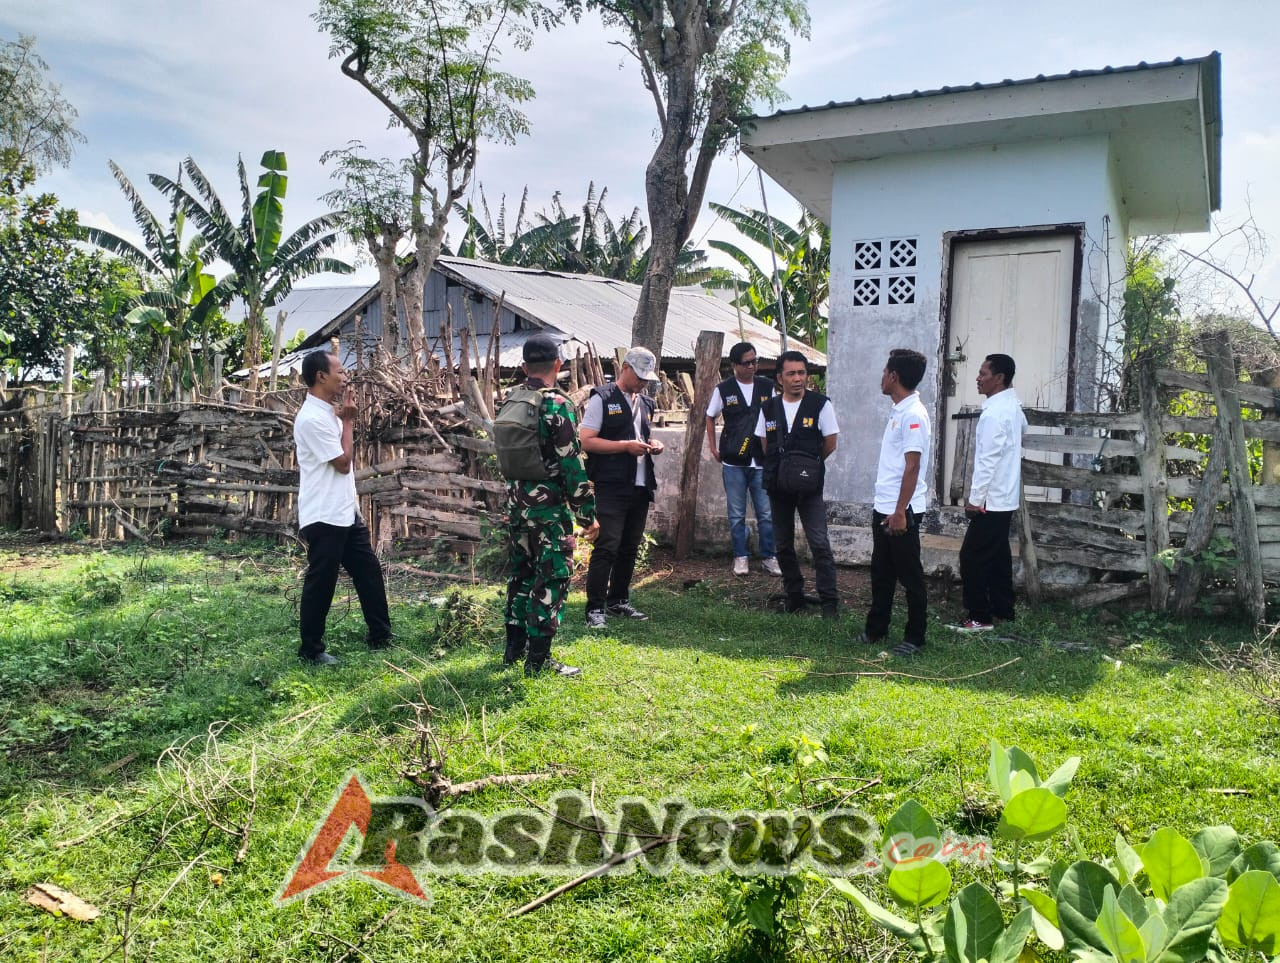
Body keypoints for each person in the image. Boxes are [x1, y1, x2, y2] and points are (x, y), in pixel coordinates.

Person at [499, 335, 599, 676]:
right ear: (559, 364)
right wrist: (587, 516)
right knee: (553, 577)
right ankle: (538, 662)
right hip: (549, 510)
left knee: (522, 573)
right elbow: (571, 464)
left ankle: (513, 649)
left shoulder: (512, 399)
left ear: (524, 366)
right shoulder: (556, 403)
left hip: (516, 505)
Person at [293, 350, 392, 666]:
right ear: (321, 375)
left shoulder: (326, 414)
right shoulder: (311, 418)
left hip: (344, 512)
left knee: (368, 571)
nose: (345, 376)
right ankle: (311, 650)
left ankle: (380, 635)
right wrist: (349, 421)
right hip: (323, 514)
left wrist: (343, 419)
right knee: (322, 581)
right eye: (339, 370)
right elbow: (343, 463)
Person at [580, 346, 666, 628]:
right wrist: (624, 447)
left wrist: (653, 445)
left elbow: (642, 435)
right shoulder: (602, 398)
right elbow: (587, 440)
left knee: (629, 546)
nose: (643, 382)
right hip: (612, 485)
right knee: (607, 546)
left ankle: (618, 600)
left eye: (647, 378)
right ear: (625, 367)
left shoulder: (646, 403)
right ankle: (595, 608)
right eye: (639, 376)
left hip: (640, 485)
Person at [755, 350, 840, 617]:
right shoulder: (768, 407)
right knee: (782, 544)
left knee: (819, 544)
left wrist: (807, 467)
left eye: (801, 373)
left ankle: (829, 603)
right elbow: (765, 443)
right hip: (777, 487)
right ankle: (794, 597)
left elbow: (830, 443)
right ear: (779, 378)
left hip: (809, 488)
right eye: (791, 373)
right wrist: (785, 469)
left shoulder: (820, 404)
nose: (797, 378)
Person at [949, 353, 1027, 633]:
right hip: (1004, 496)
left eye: (983, 374)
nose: (978, 379)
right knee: (998, 555)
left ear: (999, 378)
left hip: (990, 499)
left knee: (972, 556)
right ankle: (1003, 608)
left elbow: (987, 460)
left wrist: (975, 498)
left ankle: (979, 617)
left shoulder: (995, 412)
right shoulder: (1012, 406)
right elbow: (1023, 429)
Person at [863, 348, 932, 656]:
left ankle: (915, 637)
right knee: (882, 573)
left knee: (910, 576)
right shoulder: (899, 410)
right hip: (886, 505)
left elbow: (912, 466)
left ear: (893, 376)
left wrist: (900, 512)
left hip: (902, 510)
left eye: (884, 372)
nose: (882, 377)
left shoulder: (913, 415)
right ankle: (876, 629)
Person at [706, 342, 783, 577]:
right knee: (737, 513)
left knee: (766, 513)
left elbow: (774, 419)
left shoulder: (767, 387)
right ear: (735, 365)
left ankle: (769, 556)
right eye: (747, 362)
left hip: (761, 462)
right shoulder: (724, 389)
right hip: (733, 462)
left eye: (755, 361)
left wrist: (774, 449)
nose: (752, 366)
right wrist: (712, 446)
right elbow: (710, 417)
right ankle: (741, 556)